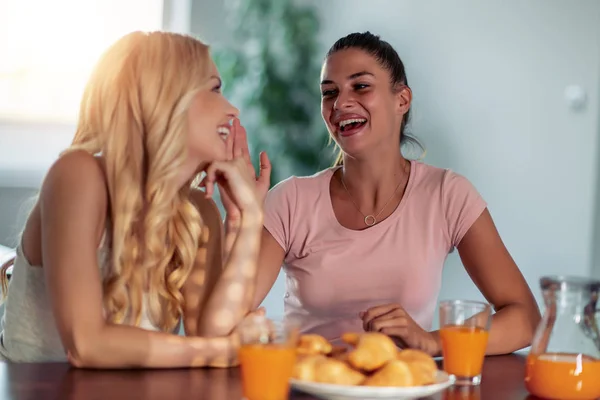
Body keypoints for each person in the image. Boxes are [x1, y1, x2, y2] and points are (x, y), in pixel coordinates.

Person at [250, 32, 541, 356]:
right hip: (307, 384)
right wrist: (238, 216)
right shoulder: (291, 200)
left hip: (402, 385)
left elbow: (525, 318)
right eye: (329, 92)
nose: (340, 103)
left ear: (402, 99)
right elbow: (227, 315)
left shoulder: (447, 195)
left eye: (360, 86)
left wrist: (432, 342)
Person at [0, 31, 271, 368]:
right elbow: (86, 344)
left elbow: (212, 335)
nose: (231, 109)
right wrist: (220, 351)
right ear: (166, 98)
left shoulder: (198, 213)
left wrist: (247, 217)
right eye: (215, 88)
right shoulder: (78, 175)